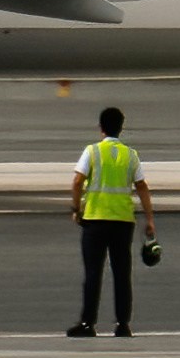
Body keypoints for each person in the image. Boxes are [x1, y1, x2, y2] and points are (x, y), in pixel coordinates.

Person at [68, 105, 157, 337]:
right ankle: (123, 324)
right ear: (121, 128)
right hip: (122, 221)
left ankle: (88, 324)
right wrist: (149, 218)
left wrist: (76, 209)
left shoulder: (92, 151)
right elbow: (142, 187)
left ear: (101, 128)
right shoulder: (131, 155)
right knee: (122, 273)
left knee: (93, 273)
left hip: (95, 220)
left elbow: (77, 181)